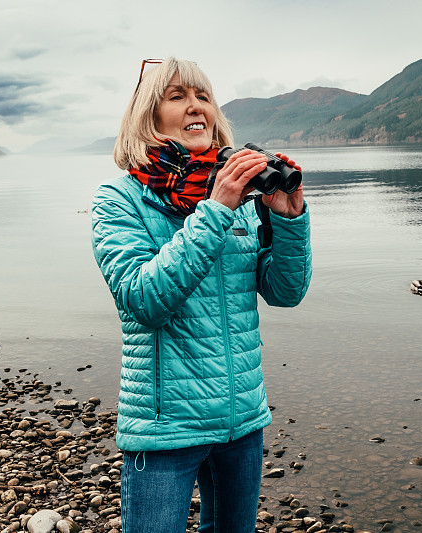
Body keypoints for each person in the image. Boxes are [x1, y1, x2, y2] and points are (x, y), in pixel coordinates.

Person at [90, 57, 312, 533]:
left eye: (204, 96)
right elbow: (142, 299)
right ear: (148, 116)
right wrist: (215, 211)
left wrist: (290, 220)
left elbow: (285, 292)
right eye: (177, 97)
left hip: (242, 422)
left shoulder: (239, 198)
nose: (197, 108)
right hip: (164, 430)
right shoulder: (119, 201)